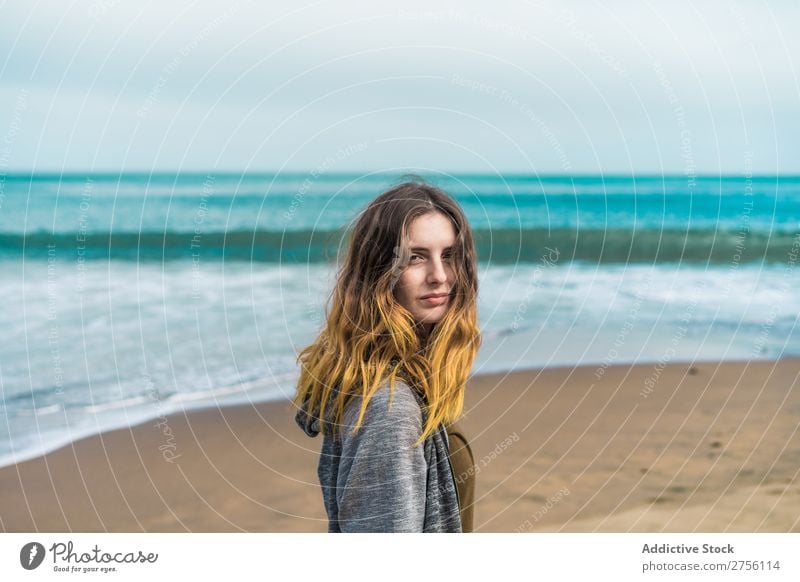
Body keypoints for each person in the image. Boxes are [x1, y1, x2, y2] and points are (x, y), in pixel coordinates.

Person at [293, 177, 481, 532]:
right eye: (415, 258)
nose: (440, 276)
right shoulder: (390, 407)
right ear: (379, 272)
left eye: (450, 256)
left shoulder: (404, 382)